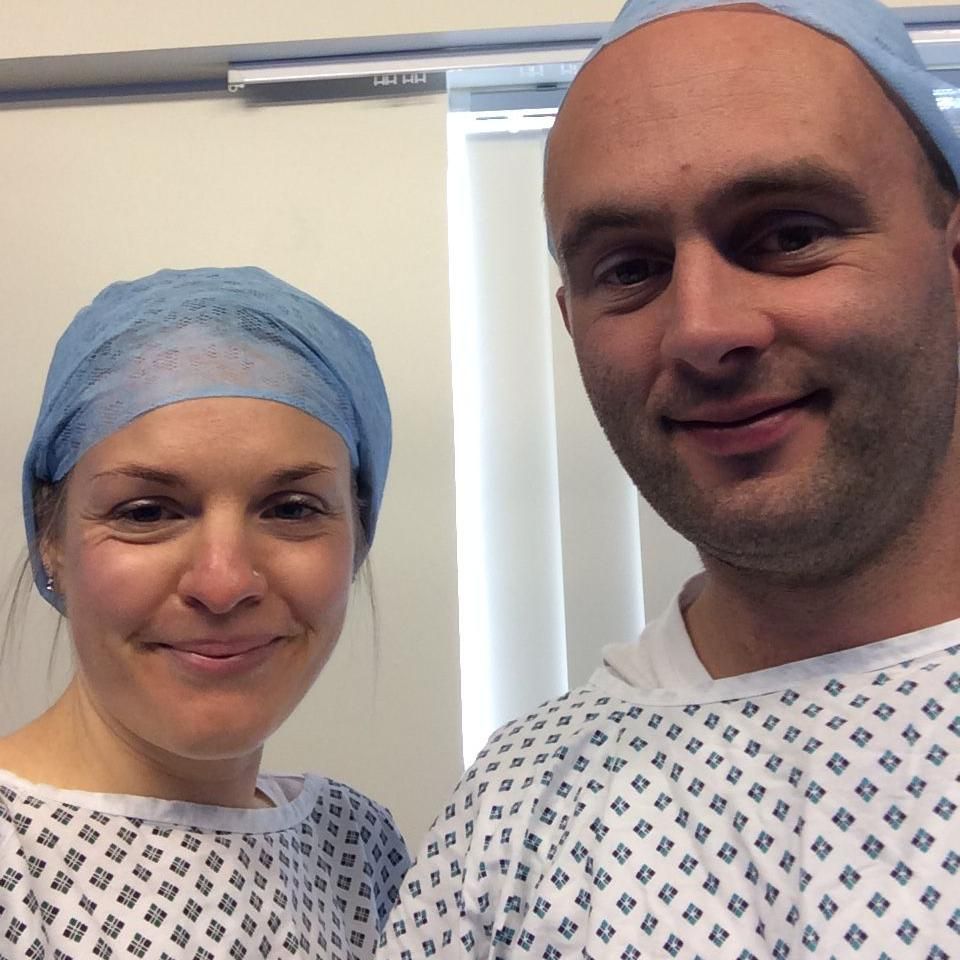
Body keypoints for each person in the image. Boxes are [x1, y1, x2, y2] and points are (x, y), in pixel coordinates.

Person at [378, 1, 960, 957]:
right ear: (572, 323)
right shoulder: (514, 820)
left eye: (786, 235)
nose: (701, 328)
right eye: (632, 267)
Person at [0, 267, 409, 959]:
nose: (223, 584)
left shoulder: (357, 850)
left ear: (359, 536)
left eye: (291, 509)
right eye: (147, 512)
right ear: (52, 539)